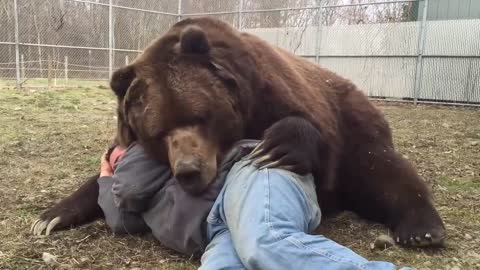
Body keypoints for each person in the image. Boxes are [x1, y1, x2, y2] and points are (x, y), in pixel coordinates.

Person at [98, 138, 413, 270]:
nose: (119, 161)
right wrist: (104, 176)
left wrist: (113, 165)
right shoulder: (147, 196)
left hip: (250, 175)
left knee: (266, 240)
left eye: (119, 156)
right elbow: (119, 220)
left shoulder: (150, 149)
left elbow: (129, 188)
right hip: (220, 229)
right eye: (115, 161)